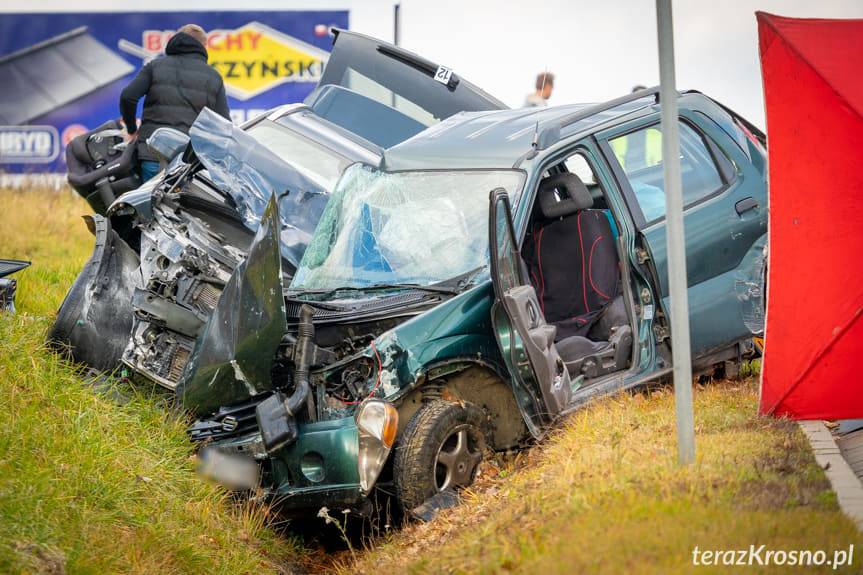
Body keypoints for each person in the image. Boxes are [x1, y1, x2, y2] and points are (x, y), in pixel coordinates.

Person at [120, 24, 230, 182]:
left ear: (176, 40)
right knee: (178, 207)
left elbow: (127, 96)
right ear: (203, 46)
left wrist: (131, 129)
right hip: (188, 162)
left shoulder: (155, 66)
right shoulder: (213, 76)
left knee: (147, 203)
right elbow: (223, 124)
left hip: (152, 153)